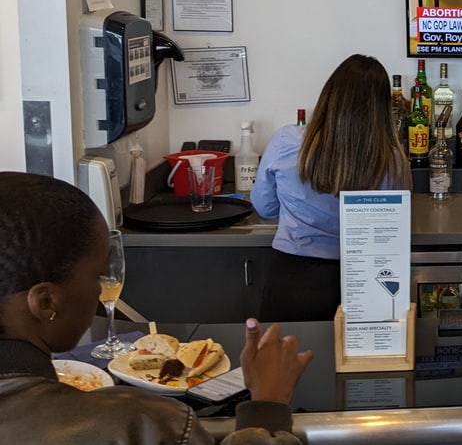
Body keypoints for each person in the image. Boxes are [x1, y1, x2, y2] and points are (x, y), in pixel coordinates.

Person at [0, 171, 314, 444]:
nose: (100, 289)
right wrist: (267, 407)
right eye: (96, 275)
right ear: (46, 302)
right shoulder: (145, 425)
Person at [252, 54, 412, 321]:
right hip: (365, 281)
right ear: (382, 108)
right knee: (359, 362)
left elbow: (265, 208)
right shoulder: (394, 160)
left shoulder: (286, 141)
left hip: (294, 279)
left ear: (329, 95)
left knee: (286, 361)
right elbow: (397, 223)